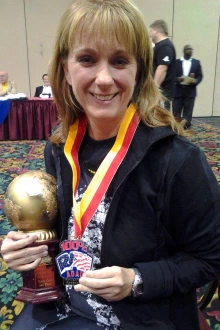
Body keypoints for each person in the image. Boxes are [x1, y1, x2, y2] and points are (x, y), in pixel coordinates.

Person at [1, 1, 220, 329]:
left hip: (143, 314)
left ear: (139, 70)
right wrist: (27, 248)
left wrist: (137, 279)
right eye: (87, 59)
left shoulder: (178, 160)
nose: (104, 79)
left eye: (119, 61)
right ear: (65, 68)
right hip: (63, 299)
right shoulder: (59, 148)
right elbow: (64, 232)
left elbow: (209, 259)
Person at [173, 45, 203, 129]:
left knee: (188, 112)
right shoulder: (176, 62)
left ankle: (186, 128)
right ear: (184, 51)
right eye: (188, 49)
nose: (190, 51)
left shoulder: (196, 63)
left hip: (190, 91)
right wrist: (177, 79)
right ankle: (176, 129)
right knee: (176, 112)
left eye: (191, 49)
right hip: (178, 91)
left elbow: (200, 76)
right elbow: (171, 76)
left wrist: (195, 81)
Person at [149, 20, 176, 110]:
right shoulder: (159, 46)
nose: (150, 34)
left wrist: (154, 89)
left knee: (161, 118)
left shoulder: (165, 46)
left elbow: (162, 68)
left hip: (162, 93)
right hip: (159, 92)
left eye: (151, 31)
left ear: (156, 30)